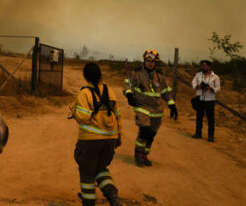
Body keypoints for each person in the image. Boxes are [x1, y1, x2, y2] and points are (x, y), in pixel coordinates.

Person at [71, 63, 123, 206]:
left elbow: (83, 117)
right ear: (100, 75)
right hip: (110, 138)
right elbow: (118, 114)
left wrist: (73, 109)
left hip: (90, 140)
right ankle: (113, 196)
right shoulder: (109, 90)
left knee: (87, 171)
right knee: (100, 168)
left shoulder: (84, 93)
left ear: (85, 76)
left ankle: (88, 201)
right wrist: (120, 135)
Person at [123, 49, 177, 167]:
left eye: (153, 61)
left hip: (157, 110)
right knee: (145, 131)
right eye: (148, 60)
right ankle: (138, 154)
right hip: (142, 107)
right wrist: (129, 94)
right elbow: (128, 84)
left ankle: (145, 155)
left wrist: (172, 104)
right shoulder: (136, 73)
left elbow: (165, 91)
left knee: (151, 134)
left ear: (156, 62)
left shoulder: (160, 75)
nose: (150, 63)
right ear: (144, 60)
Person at [191, 60, 221, 142]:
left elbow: (218, 89)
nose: (203, 67)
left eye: (204, 65)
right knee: (199, 117)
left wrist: (211, 89)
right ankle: (198, 134)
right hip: (199, 98)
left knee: (210, 119)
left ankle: (210, 136)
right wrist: (198, 86)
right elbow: (193, 84)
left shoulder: (215, 77)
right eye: (202, 66)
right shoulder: (198, 75)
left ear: (209, 66)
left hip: (210, 99)